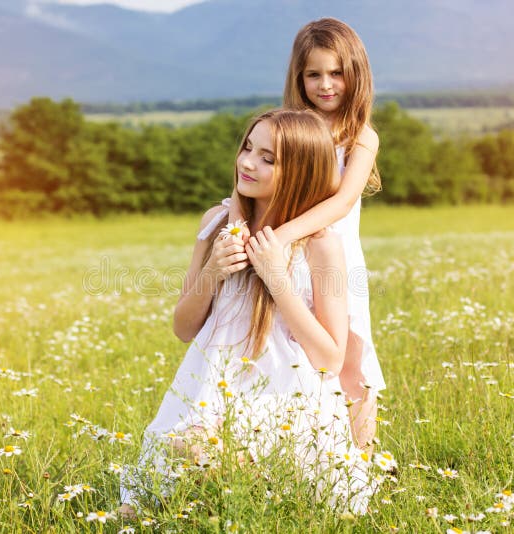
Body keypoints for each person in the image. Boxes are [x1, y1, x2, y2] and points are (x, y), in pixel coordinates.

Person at [120, 109, 378, 518]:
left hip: (282, 399)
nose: (246, 162)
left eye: (267, 158)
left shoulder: (319, 244)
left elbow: (330, 358)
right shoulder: (217, 223)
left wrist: (277, 278)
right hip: (212, 390)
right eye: (247, 148)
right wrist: (213, 272)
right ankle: (228, 479)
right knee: (154, 490)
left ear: (299, 171)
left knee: (245, 482)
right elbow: (183, 328)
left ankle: (244, 479)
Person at [226, 18, 385, 452]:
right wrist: (244, 232)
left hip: (334, 256)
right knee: (288, 348)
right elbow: (242, 185)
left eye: (336, 73)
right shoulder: (292, 129)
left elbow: (341, 203)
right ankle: (296, 446)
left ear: (356, 75)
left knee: (350, 357)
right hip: (283, 259)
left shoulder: (360, 136)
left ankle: (360, 459)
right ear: (299, 77)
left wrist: (281, 235)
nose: (326, 85)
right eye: (313, 74)